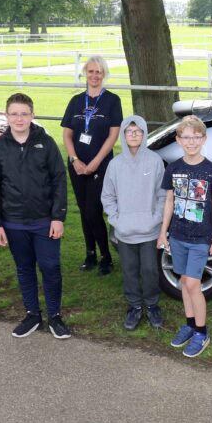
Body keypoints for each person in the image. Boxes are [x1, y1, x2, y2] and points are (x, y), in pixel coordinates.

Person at [0, 93, 71, 339]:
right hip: (13, 222)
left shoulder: (46, 143)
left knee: (50, 267)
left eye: (24, 113)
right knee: (24, 268)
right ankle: (32, 314)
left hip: (44, 221)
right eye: (14, 113)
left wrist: (58, 217)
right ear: (6, 116)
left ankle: (55, 316)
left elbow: (59, 180)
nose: (19, 118)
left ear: (32, 115)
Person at [157, 115, 212, 358]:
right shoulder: (173, 169)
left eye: (196, 137)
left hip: (201, 237)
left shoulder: (211, 171)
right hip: (177, 235)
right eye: (186, 137)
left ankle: (202, 332)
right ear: (178, 140)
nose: (191, 142)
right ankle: (189, 323)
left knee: (193, 283)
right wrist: (163, 232)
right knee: (184, 281)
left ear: (204, 139)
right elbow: (169, 203)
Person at [102, 115, 167, 331]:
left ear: (144, 133)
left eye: (138, 131)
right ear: (122, 134)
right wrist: (116, 219)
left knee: (149, 269)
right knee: (129, 270)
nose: (133, 135)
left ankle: (151, 304)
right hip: (125, 230)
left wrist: (156, 219)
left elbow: (162, 195)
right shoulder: (115, 164)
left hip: (149, 229)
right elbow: (108, 197)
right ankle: (134, 306)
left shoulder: (154, 161)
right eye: (129, 131)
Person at [61, 55, 122, 275]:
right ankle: (90, 253)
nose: (94, 76)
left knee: (94, 210)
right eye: (91, 71)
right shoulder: (76, 100)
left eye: (99, 72)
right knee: (85, 211)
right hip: (77, 165)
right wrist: (75, 160)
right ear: (85, 74)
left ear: (104, 74)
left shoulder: (112, 100)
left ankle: (106, 256)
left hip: (101, 165)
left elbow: (113, 136)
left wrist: (95, 162)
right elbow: (67, 134)